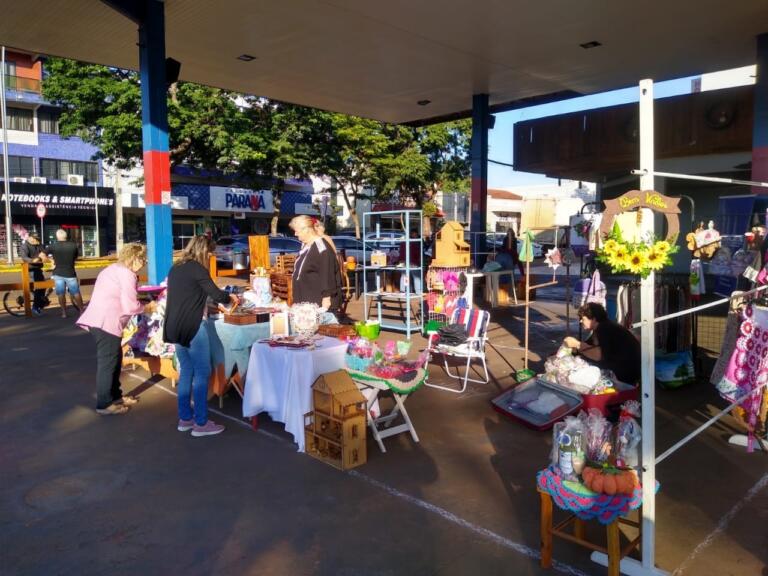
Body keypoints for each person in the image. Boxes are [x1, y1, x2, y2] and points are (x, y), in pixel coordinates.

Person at [163, 235, 238, 437]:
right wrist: (230, 296)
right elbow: (217, 294)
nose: (211, 257)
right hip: (193, 325)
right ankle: (201, 423)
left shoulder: (176, 267)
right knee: (202, 373)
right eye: (210, 253)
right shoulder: (197, 268)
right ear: (204, 251)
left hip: (174, 325)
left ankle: (185, 419)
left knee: (187, 371)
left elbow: (191, 294)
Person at [77, 243, 146, 415]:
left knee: (115, 359)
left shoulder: (112, 269)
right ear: (133, 258)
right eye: (142, 259)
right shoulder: (127, 274)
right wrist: (147, 307)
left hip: (100, 320)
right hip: (106, 322)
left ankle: (116, 396)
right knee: (108, 362)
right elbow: (130, 306)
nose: (144, 263)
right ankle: (104, 404)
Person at [563, 302, 641, 384]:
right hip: (627, 368)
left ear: (593, 319)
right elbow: (589, 346)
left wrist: (577, 344)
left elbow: (599, 355)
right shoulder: (602, 327)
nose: (581, 321)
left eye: (583, 319)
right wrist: (574, 350)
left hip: (626, 373)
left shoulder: (605, 329)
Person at [289, 215, 343, 313]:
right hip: (305, 300)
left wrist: (326, 300)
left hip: (317, 303)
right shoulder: (307, 245)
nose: (295, 234)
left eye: (297, 231)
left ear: (306, 229)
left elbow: (327, 273)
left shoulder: (321, 246)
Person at [47, 228, 84, 318]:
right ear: (66, 236)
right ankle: (81, 311)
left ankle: (64, 312)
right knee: (76, 292)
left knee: (61, 293)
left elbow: (42, 254)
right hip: (70, 272)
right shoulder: (73, 246)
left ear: (57, 236)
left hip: (58, 273)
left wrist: (51, 260)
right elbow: (76, 257)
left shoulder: (53, 246)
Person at [19, 230, 48, 315]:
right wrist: (33, 260)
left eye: (38, 239)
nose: (37, 241)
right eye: (35, 239)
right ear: (30, 238)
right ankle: (35, 306)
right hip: (30, 269)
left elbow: (44, 253)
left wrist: (45, 257)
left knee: (43, 286)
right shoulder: (25, 246)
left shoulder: (39, 244)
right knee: (39, 286)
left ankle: (40, 302)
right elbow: (24, 257)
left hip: (38, 269)